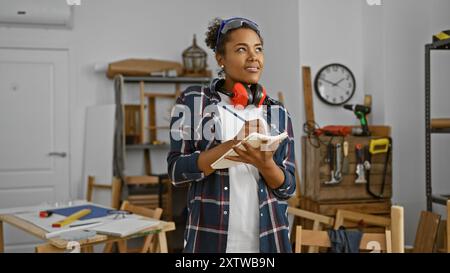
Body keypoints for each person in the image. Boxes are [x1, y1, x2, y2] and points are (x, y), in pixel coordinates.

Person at [167, 17, 296, 253]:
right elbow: (176, 172)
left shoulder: (278, 113)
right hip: (209, 242)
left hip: (269, 242)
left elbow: (289, 188)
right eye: (241, 50)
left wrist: (266, 165)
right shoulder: (193, 103)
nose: (253, 57)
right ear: (220, 58)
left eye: (258, 49)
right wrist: (233, 145)